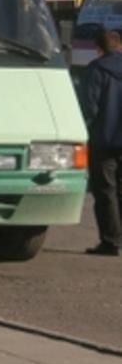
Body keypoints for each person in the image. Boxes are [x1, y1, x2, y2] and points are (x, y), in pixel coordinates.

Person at [78, 28, 122, 256]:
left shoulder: (95, 70)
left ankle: (111, 240)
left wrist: (82, 130)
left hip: (103, 140)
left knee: (106, 192)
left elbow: (90, 107)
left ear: (98, 48)